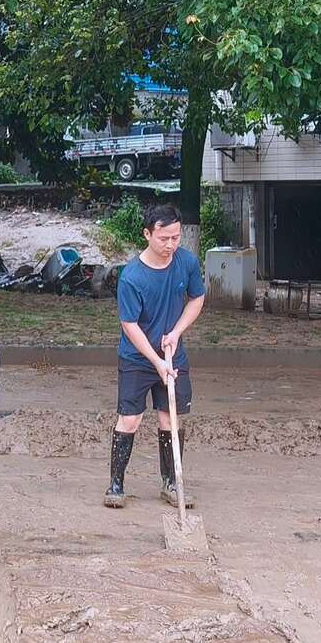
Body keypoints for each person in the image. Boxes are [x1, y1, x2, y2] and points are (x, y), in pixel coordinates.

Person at [105, 202, 206, 508]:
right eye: (164, 238)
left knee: (170, 418)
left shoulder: (186, 263)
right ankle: (116, 485)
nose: (171, 245)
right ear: (147, 234)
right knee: (131, 418)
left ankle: (171, 484)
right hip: (138, 358)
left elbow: (197, 298)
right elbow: (129, 325)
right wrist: (156, 361)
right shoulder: (132, 276)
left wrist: (175, 334)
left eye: (176, 237)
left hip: (173, 355)